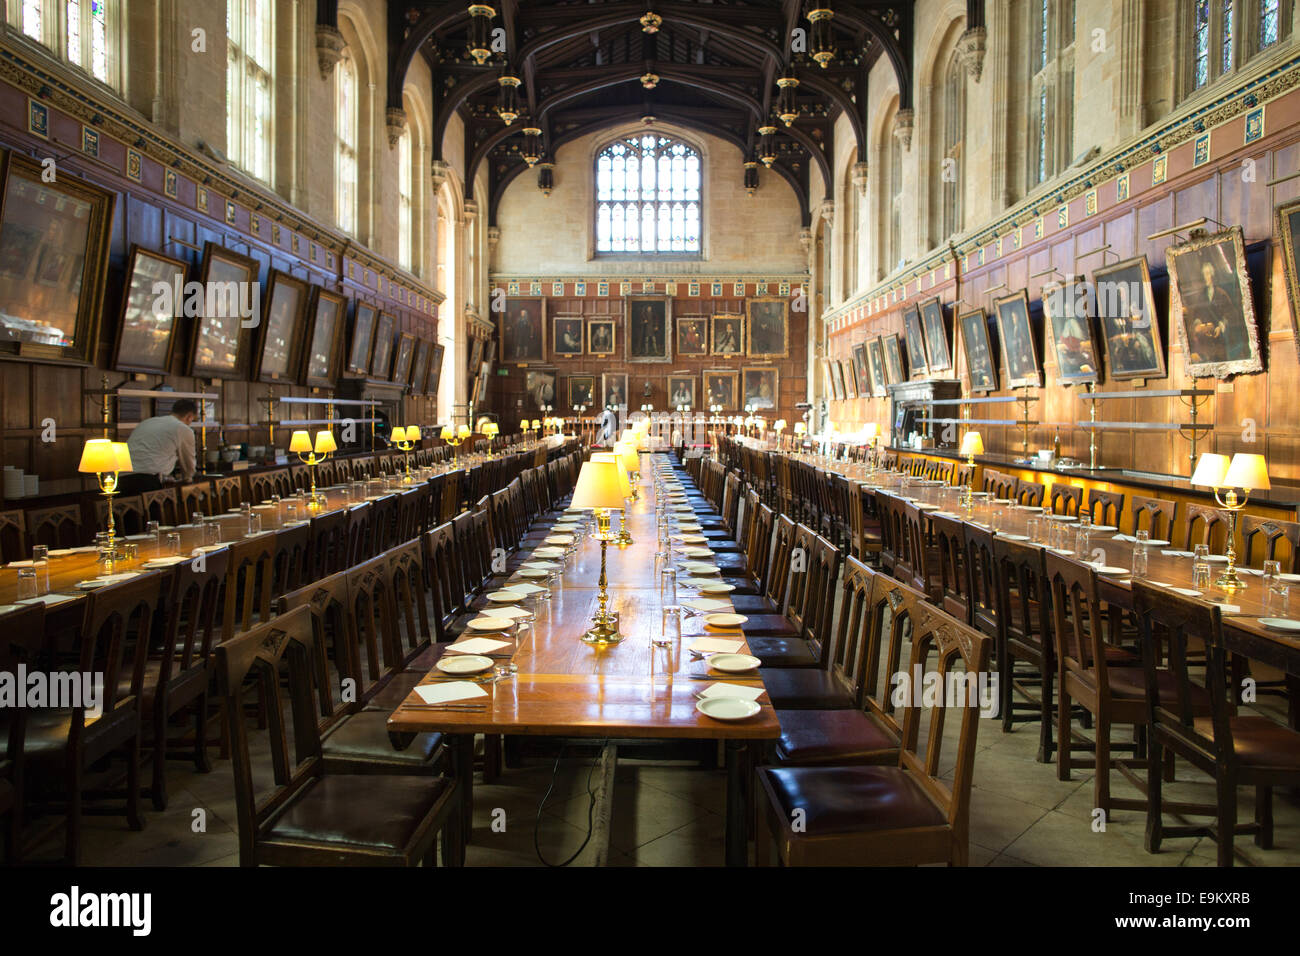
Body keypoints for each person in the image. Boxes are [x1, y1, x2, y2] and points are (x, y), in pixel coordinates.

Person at [119, 399, 198, 494]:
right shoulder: (183, 429)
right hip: (146, 481)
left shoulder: (148, 422)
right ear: (189, 416)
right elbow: (188, 461)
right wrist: (188, 480)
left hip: (121, 477)